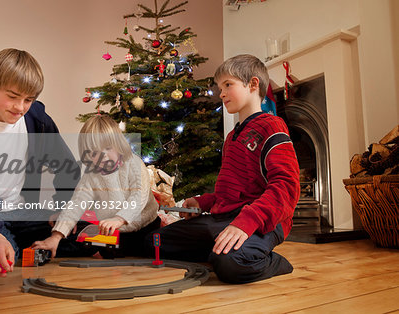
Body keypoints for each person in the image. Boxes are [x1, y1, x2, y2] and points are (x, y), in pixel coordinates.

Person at [145, 54, 300, 284]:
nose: (222, 93)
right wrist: (203, 202)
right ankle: (218, 249)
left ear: (253, 84)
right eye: (220, 87)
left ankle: (274, 262)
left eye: (228, 85)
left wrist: (246, 222)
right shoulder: (231, 138)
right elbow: (229, 193)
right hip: (224, 219)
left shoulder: (272, 126)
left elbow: (286, 187)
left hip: (262, 222)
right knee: (153, 241)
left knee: (232, 264)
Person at [0, 48, 85, 277]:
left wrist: (62, 208)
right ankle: (13, 247)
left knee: (84, 233)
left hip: (24, 213)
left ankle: (24, 248)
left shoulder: (38, 121)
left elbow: (67, 168)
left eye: (28, 100)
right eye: (12, 97)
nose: (20, 108)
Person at [32, 115, 160, 259]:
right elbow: (77, 203)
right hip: (111, 227)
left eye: (108, 148)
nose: (103, 156)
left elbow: (138, 199)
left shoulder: (134, 164)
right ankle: (51, 245)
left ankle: (109, 249)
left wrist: (119, 219)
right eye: (95, 153)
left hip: (143, 224)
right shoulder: (91, 175)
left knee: (135, 246)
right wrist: (56, 236)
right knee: (73, 232)